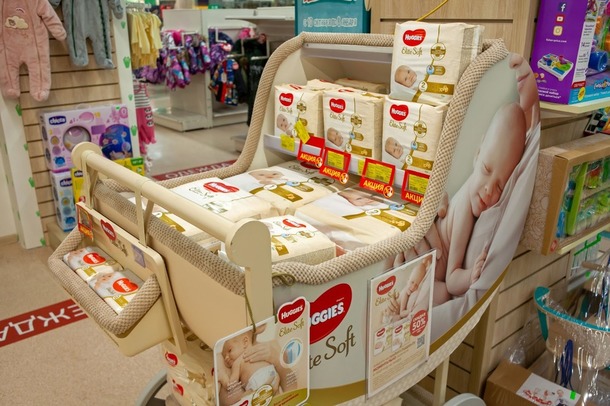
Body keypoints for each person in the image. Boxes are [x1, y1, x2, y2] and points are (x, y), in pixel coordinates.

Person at [433, 102, 526, 299]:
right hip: (424, 272)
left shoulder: (474, 196)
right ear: (477, 155)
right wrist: (472, 275)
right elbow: (451, 281)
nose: (489, 189)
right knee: (441, 294)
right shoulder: (464, 208)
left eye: (500, 187)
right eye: (486, 170)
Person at [218, 330, 280, 403]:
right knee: (276, 399)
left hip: (257, 381)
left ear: (245, 342)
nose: (226, 358)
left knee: (244, 399)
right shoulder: (259, 350)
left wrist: (223, 378)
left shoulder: (237, 362)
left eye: (229, 350)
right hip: (272, 374)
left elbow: (231, 385)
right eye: (224, 356)